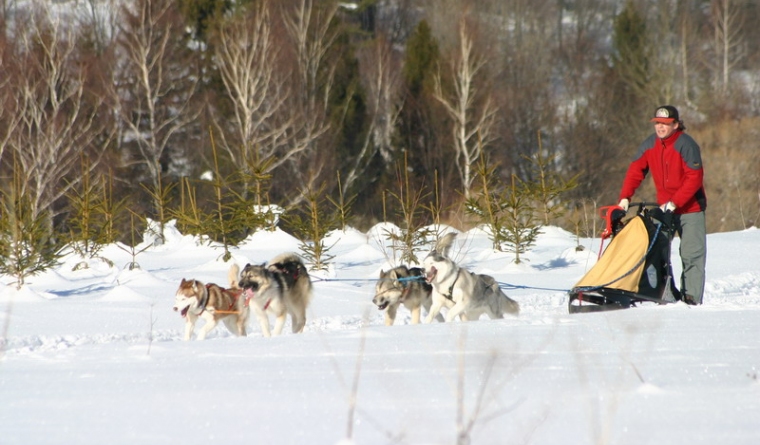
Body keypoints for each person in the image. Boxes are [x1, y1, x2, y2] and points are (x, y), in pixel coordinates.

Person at [617, 105, 707, 305]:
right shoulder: (650, 144)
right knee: (659, 253)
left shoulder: (686, 145)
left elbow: (694, 178)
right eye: (657, 123)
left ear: (675, 124)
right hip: (665, 209)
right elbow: (635, 171)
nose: (660, 127)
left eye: (665, 124)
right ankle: (665, 294)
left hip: (690, 209)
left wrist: (674, 203)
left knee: (691, 255)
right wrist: (625, 198)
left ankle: (691, 299)